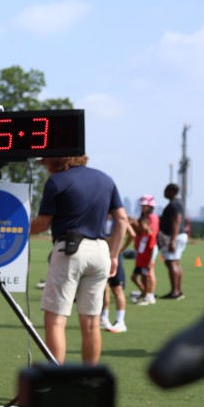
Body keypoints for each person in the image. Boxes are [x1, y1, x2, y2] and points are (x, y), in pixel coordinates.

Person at [29, 156, 127, 364]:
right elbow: (122, 219)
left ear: (55, 160)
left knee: (55, 319)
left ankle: (55, 377)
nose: (45, 167)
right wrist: (114, 255)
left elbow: (43, 223)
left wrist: (14, 229)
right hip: (100, 251)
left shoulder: (57, 181)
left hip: (70, 250)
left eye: (46, 162)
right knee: (91, 322)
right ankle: (89, 377)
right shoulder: (105, 179)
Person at [100, 217, 135, 334]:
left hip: (114, 255)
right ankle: (104, 318)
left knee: (117, 289)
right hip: (102, 255)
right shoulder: (103, 214)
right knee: (104, 288)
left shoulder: (118, 217)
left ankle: (120, 321)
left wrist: (122, 248)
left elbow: (132, 234)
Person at [160, 183, 187, 299]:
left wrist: (172, 240)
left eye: (166, 190)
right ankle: (178, 290)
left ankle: (175, 292)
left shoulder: (174, 204)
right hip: (177, 236)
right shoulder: (177, 203)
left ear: (172, 191)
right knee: (175, 263)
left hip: (174, 236)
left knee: (171, 263)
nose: (164, 192)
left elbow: (177, 221)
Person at [134, 195, 159, 305]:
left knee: (149, 272)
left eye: (145, 205)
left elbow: (151, 233)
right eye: (142, 205)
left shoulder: (152, 217)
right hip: (142, 249)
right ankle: (145, 292)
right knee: (143, 273)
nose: (143, 207)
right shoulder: (143, 217)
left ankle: (150, 295)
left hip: (149, 248)